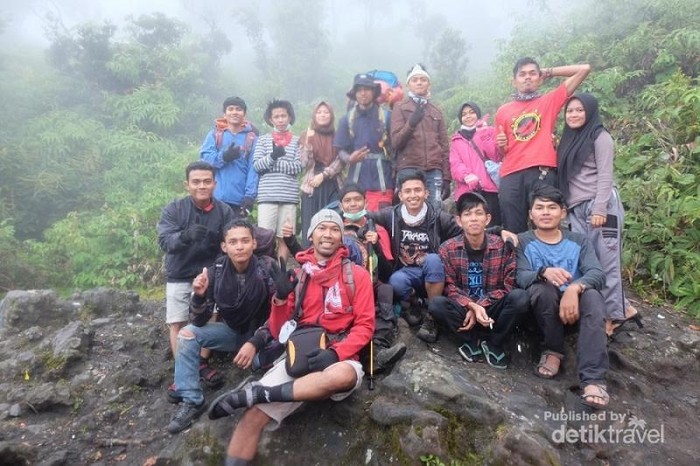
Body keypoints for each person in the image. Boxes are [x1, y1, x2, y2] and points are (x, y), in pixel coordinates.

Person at [208, 209, 375, 465]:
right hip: (298, 355)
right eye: (321, 228)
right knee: (251, 418)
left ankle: (257, 393)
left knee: (341, 375)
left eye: (334, 229)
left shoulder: (358, 276)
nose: (328, 234)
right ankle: (257, 399)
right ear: (311, 235)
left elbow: (365, 326)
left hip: (339, 356)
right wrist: (280, 298)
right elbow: (278, 331)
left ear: (341, 237)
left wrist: (335, 353)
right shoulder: (297, 276)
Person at [166, 220, 277, 434]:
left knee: (261, 366)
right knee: (187, 334)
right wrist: (199, 297)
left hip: (266, 335)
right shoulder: (215, 272)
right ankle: (191, 400)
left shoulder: (267, 268)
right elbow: (199, 320)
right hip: (233, 332)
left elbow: (280, 315)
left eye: (245, 241)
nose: (239, 246)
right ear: (224, 246)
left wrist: (255, 342)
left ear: (254, 243)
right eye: (233, 242)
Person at [281, 183, 406, 372]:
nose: (353, 204)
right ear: (341, 205)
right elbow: (311, 262)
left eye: (357, 199)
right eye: (348, 200)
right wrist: (291, 241)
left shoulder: (377, 229)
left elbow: (388, 271)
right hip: (338, 280)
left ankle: (377, 349)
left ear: (365, 202)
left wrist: (377, 246)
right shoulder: (333, 228)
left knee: (385, 291)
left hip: (366, 279)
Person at [516, 184, 610, 409]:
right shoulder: (523, 241)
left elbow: (597, 273)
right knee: (543, 289)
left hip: (574, 312)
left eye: (552, 207)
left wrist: (573, 289)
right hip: (541, 313)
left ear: (563, 212)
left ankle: (593, 379)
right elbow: (519, 276)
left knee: (593, 297)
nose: (545, 212)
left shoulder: (579, 241)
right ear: (530, 214)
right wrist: (543, 272)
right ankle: (552, 351)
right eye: (539, 208)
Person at [557, 93, 641, 337]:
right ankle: (624, 308)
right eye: (570, 110)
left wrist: (600, 208)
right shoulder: (569, 139)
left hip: (599, 205)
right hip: (576, 207)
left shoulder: (600, 136)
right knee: (588, 262)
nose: (573, 114)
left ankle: (612, 316)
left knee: (607, 262)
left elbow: (605, 174)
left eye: (579, 110)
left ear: (590, 112)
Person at [428, 192, 528, 368]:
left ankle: (494, 342)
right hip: (464, 310)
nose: (473, 219)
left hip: (493, 308)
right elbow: (449, 287)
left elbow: (509, 285)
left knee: (520, 297)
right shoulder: (447, 248)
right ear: (459, 220)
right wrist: (471, 306)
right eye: (467, 214)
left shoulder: (502, 246)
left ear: (487, 219)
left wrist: (480, 305)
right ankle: (470, 340)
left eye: (478, 213)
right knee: (437, 304)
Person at [495, 57, 591, 233]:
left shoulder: (549, 101)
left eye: (532, 73)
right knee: (513, 231)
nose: (527, 77)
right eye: (522, 74)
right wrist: (501, 145)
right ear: (514, 80)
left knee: (547, 227)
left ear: (540, 78)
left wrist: (548, 72)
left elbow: (584, 69)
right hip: (511, 175)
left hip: (542, 173)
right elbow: (503, 152)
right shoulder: (503, 111)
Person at [370, 169, 462, 343]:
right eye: (408, 191)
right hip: (406, 272)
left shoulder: (438, 217)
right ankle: (415, 303)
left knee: (433, 259)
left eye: (417, 190)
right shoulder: (391, 215)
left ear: (426, 193)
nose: (413, 195)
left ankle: (432, 315)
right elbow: (368, 217)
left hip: (434, 272)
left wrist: (497, 231)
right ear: (400, 195)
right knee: (395, 281)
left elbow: (464, 232)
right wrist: (364, 231)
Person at [157, 161, 234, 366]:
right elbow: (165, 241)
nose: (202, 186)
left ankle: (201, 362)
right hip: (179, 274)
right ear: (187, 184)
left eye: (207, 181)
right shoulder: (174, 209)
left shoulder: (224, 211)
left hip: (210, 274)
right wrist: (185, 236)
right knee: (177, 322)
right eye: (196, 182)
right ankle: (182, 367)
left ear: (214, 184)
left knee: (211, 318)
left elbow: (231, 242)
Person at [391, 64, 451, 209]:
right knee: (409, 211)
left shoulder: (436, 111)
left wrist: (447, 177)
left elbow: (444, 146)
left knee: (434, 211)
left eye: (423, 80)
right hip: (408, 168)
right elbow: (396, 142)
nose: (419, 82)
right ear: (408, 85)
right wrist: (411, 123)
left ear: (429, 84)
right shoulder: (400, 107)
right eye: (415, 80)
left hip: (434, 169)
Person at [335, 73, 394, 211]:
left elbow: (396, 147)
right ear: (355, 94)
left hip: (382, 180)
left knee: (382, 220)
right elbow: (340, 149)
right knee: (355, 219)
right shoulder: (346, 120)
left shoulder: (386, 117)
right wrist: (350, 158)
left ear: (373, 92)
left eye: (367, 89)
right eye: (359, 90)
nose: (363, 93)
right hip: (356, 180)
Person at [253, 99, 302, 263]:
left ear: (290, 117)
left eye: (283, 116)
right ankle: (266, 270)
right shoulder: (263, 140)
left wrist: (272, 163)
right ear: (270, 119)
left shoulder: (297, 141)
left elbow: (298, 167)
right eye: (276, 116)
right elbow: (257, 166)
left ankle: (281, 270)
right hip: (267, 196)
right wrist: (273, 156)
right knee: (264, 237)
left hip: (289, 196)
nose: (280, 120)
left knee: (285, 237)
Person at [200, 96, 258, 217]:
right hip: (214, 198)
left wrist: (250, 196)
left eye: (238, 109)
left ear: (244, 114)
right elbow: (204, 161)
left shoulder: (252, 138)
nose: (234, 112)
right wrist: (224, 157)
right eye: (230, 109)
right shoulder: (215, 135)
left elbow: (253, 169)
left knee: (236, 230)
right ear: (224, 114)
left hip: (239, 201)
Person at [449, 102, 502, 226]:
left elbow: (495, 156)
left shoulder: (490, 131)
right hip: (467, 190)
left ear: (478, 114)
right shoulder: (456, 140)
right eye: (464, 114)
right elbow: (455, 164)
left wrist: (483, 133)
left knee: (492, 226)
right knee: (469, 227)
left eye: (472, 112)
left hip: (489, 189)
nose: (468, 116)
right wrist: (466, 175)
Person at [299, 101, 344, 246]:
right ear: (314, 115)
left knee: (332, 222)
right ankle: (308, 258)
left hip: (333, 183)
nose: (322, 115)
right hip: (312, 186)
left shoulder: (338, 136)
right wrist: (308, 142)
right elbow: (304, 163)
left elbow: (341, 161)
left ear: (331, 115)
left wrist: (323, 175)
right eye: (319, 112)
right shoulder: (306, 135)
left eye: (326, 112)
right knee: (310, 225)